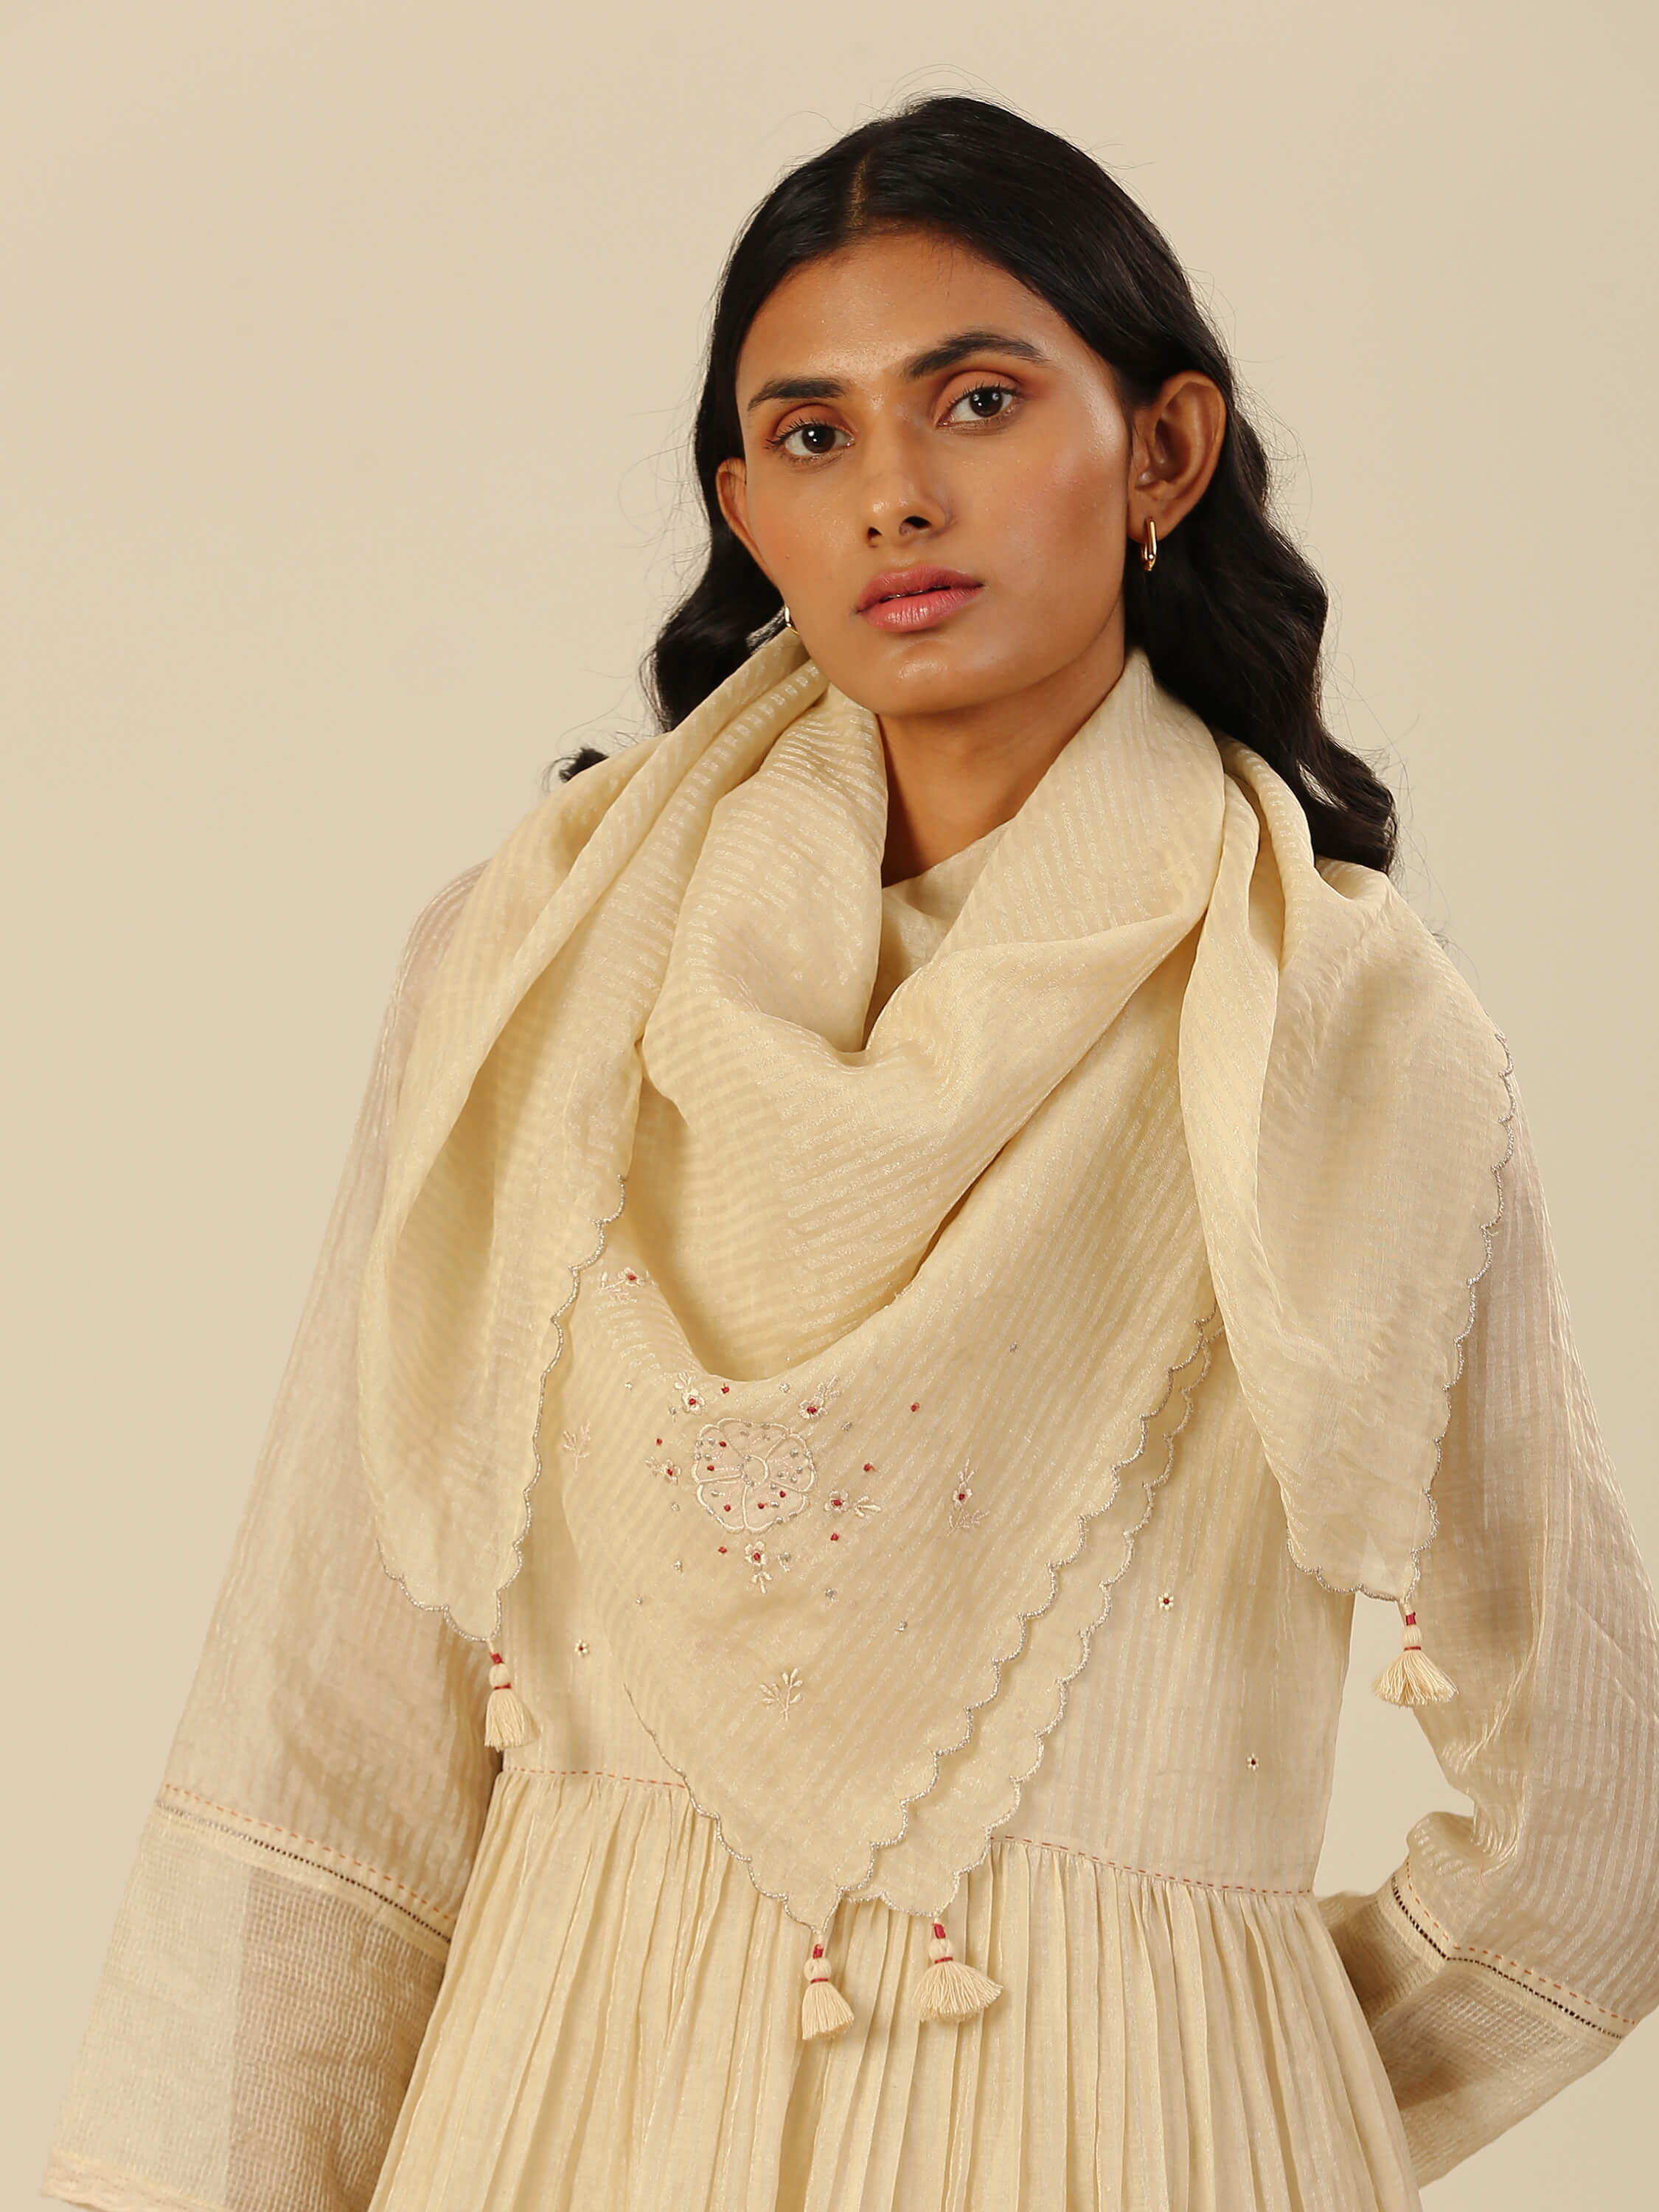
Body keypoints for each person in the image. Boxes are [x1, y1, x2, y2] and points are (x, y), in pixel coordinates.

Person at [45, 92, 1659, 2212]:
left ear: (1163, 450)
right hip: (562, 2136)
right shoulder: (532, 977)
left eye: (974, 401)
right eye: (810, 437)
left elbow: (1595, 1824)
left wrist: (1214, 2060)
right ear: (745, 501)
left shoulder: (1336, 1037)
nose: (893, 494)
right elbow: (330, 1734)